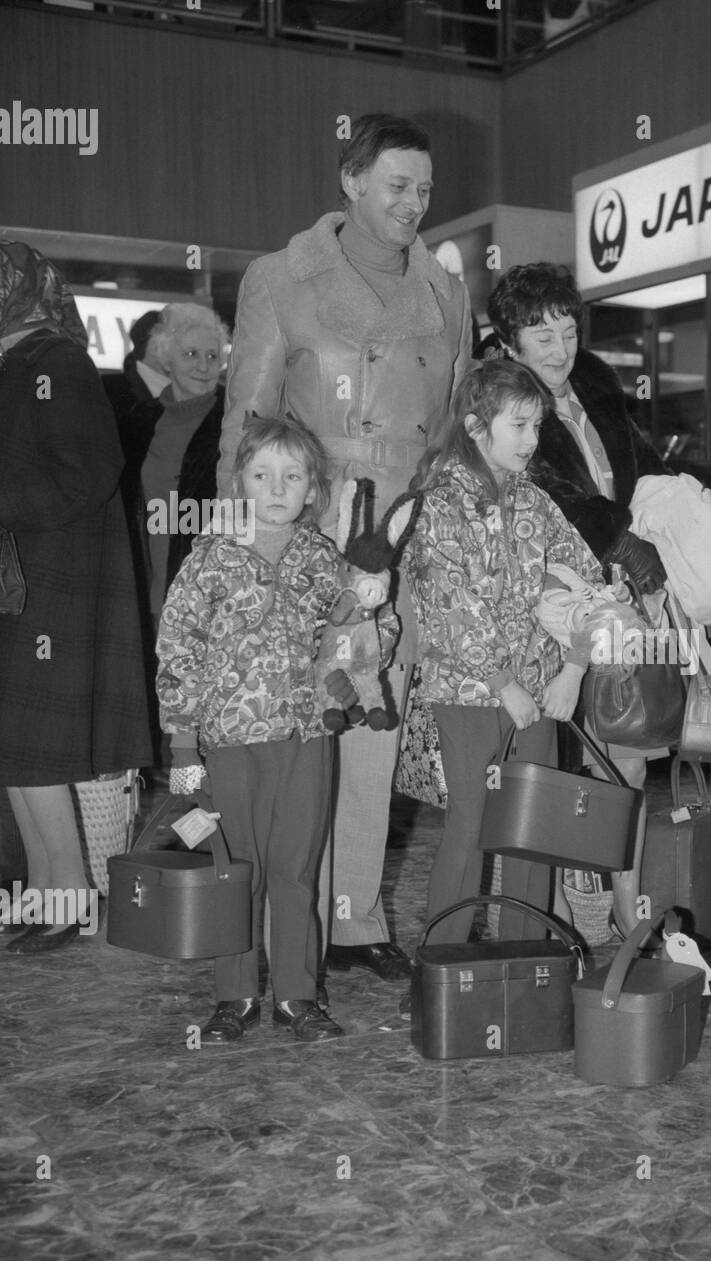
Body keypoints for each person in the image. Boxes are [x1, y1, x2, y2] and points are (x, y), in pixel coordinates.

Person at [217, 112, 472, 990]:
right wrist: (237, 550)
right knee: (298, 725)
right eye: (397, 185)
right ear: (352, 181)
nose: (413, 203)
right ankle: (283, 922)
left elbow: (455, 427)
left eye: (425, 189)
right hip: (304, 525)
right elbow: (244, 423)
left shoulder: (445, 291)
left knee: (375, 723)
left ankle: (354, 916)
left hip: (401, 534)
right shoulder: (280, 279)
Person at [157, 416, 374, 1043]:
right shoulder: (209, 562)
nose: (277, 488)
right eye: (262, 475)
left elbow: (355, 636)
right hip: (228, 745)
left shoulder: (325, 560)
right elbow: (178, 652)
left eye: (292, 476)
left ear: (312, 489)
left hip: (306, 739)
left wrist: (362, 650)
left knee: (296, 872)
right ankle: (235, 997)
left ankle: (298, 996)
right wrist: (182, 741)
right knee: (235, 872)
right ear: (239, 483)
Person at [399, 360, 602, 1002]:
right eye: (519, 425)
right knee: (469, 825)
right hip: (467, 697)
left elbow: (586, 583)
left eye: (537, 425)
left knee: (530, 830)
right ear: (476, 426)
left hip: (541, 693)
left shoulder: (536, 503)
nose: (532, 439)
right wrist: (502, 681)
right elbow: (449, 607)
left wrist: (572, 667)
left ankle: (523, 965)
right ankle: (442, 965)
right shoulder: (440, 504)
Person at [486, 262, 671, 936]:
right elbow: (544, 492)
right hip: (554, 601)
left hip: (621, 597)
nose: (560, 349)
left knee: (625, 753)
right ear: (509, 341)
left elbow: (636, 459)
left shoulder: (593, 379)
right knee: (555, 764)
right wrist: (618, 539)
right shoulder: (504, 402)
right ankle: (561, 916)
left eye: (568, 329)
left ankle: (627, 911)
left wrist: (677, 507)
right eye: (541, 336)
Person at [0, 241, 153, 952]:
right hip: (23, 577)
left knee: (34, 753)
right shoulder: (17, 364)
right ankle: (45, 890)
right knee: (18, 754)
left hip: (53, 583)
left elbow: (86, 473)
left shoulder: (55, 362)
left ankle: (67, 896)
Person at [113, 303, 229, 627]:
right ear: (167, 358)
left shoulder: (234, 424)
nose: (204, 366)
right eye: (191, 354)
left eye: (212, 356)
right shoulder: (139, 422)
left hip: (208, 591)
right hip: (145, 584)